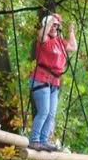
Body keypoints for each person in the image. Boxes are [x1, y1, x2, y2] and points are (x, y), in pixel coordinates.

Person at [28, 13, 77, 151]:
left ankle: (43, 140)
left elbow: (73, 47)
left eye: (56, 26)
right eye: (52, 25)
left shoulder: (60, 42)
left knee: (51, 113)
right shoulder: (43, 40)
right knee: (43, 111)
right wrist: (51, 20)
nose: (55, 28)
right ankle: (34, 140)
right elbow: (42, 33)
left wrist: (71, 31)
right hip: (41, 79)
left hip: (54, 82)